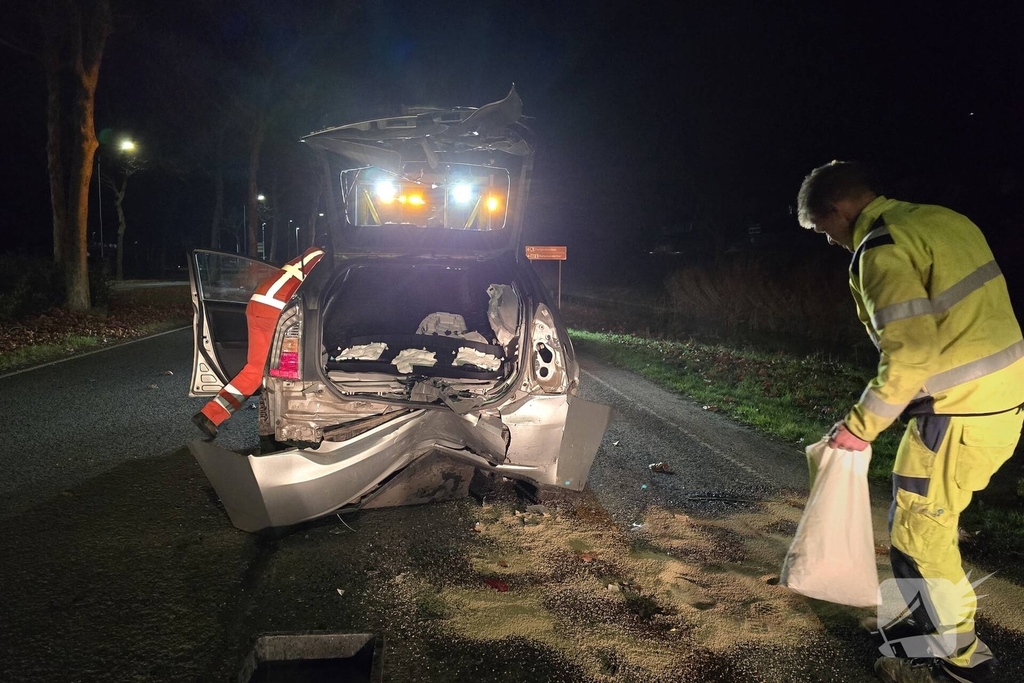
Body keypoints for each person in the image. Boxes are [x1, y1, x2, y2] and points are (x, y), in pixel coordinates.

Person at [797, 161, 1024, 683]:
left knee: (921, 538)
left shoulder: (881, 249)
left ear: (837, 210)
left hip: (956, 413)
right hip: (999, 402)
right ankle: (923, 638)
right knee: (923, 526)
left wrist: (859, 427)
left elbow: (910, 355)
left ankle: (955, 662)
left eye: (822, 230)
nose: (830, 242)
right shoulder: (943, 220)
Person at [192, 245, 326, 439]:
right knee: (294, 366)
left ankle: (209, 415)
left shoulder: (310, 255)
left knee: (255, 370)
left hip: (259, 302)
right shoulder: (331, 259)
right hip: (276, 309)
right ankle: (289, 423)